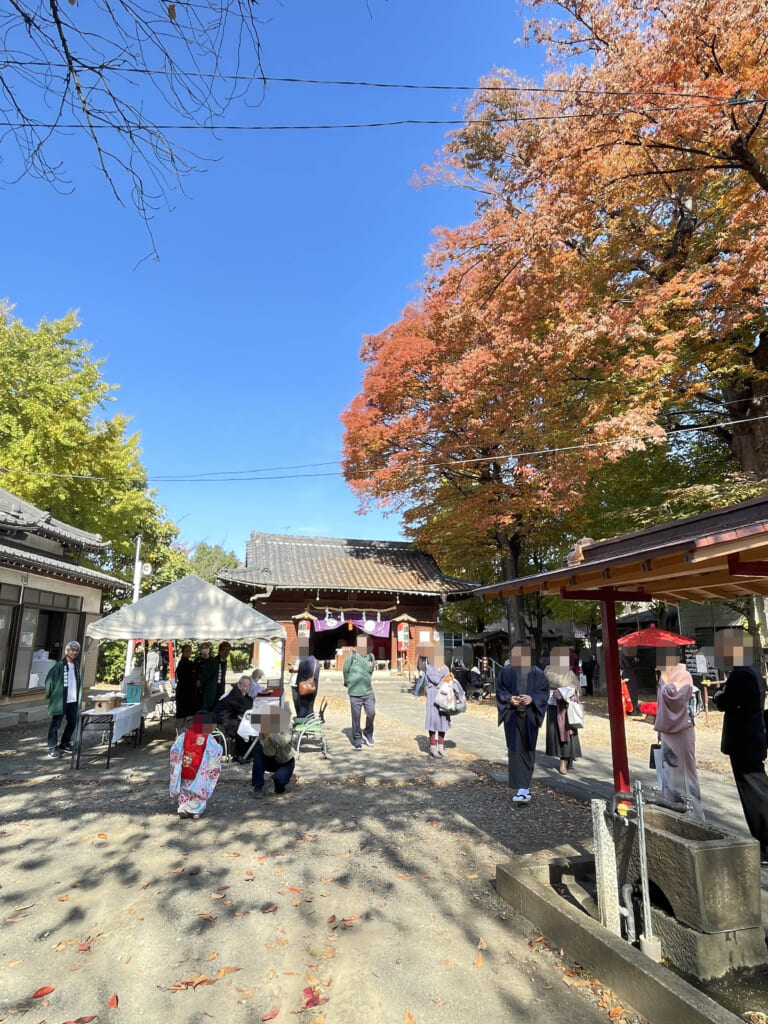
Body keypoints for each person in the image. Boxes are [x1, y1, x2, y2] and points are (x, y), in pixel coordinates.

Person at [712, 630, 768, 861]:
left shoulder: (741, 675)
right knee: (757, 791)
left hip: (745, 741)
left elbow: (723, 700)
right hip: (752, 738)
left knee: (754, 794)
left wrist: (719, 693)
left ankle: (764, 843)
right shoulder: (753, 671)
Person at [654, 648, 704, 820]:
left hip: (681, 730)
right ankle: (673, 812)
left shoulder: (683, 675)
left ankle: (694, 815)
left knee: (685, 773)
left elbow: (675, 699)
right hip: (668, 731)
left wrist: (665, 678)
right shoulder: (664, 676)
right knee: (669, 773)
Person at [496, 646, 549, 803]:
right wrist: (509, 699)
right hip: (512, 715)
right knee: (514, 749)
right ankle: (520, 787)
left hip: (530, 716)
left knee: (527, 748)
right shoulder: (506, 672)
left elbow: (544, 692)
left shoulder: (537, 673)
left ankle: (524, 788)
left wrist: (532, 698)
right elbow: (500, 690)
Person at [169, 712, 223, 819]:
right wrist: (220, 748)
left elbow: (174, 749)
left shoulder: (184, 735)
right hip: (200, 770)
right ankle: (196, 811)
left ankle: (183, 807)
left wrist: (178, 761)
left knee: (185, 788)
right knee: (199, 790)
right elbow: (216, 750)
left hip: (186, 766)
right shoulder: (208, 737)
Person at [545, 646, 582, 774]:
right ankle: (565, 761)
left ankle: (566, 761)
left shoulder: (569, 673)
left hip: (567, 708)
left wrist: (571, 692)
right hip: (554, 706)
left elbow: (577, 688)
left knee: (568, 735)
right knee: (560, 735)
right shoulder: (549, 671)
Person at [45, 639, 82, 758]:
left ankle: (64, 743)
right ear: (66, 651)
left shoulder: (76, 665)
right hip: (61, 700)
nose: (74, 652)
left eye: (76, 650)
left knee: (72, 722)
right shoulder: (59, 666)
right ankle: (52, 747)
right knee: (56, 723)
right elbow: (49, 681)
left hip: (73, 699)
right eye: (72, 650)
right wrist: (51, 695)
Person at [252, 706, 295, 798]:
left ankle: (279, 784)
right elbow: (268, 752)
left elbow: (283, 742)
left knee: (279, 785)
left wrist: (270, 733)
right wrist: (267, 735)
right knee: (259, 754)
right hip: (270, 758)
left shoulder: (287, 725)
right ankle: (258, 786)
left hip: (285, 760)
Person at [215, 675, 254, 759]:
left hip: (229, 718)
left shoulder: (239, 692)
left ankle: (248, 752)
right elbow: (244, 708)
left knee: (247, 724)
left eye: (249, 685)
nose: (247, 688)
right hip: (223, 721)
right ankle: (241, 754)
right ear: (239, 685)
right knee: (243, 727)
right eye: (245, 685)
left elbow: (249, 702)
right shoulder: (235, 695)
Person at [343, 650, 376, 749]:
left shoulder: (371, 656)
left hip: (368, 692)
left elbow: (371, 669)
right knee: (356, 717)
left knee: (371, 713)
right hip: (354, 692)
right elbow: (345, 670)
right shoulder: (351, 657)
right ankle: (357, 738)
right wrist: (348, 682)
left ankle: (368, 733)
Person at [424, 663, 454, 758]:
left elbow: (448, 678)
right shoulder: (429, 667)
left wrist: (444, 675)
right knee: (433, 720)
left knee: (443, 720)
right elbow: (435, 680)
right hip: (433, 696)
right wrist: (443, 675)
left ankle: (441, 746)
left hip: (443, 696)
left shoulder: (445, 667)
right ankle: (432, 746)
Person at [174, 643, 200, 720]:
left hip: (189, 690)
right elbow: (182, 676)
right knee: (184, 712)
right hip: (184, 690)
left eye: (189, 651)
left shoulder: (189, 662)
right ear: (183, 652)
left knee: (188, 712)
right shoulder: (183, 663)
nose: (188, 653)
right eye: (186, 651)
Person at [195, 643, 218, 711]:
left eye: (206, 648)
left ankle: (208, 720)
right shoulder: (197, 660)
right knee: (200, 705)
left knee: (209, 705)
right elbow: (194, 672)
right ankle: (199, 720)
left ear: (209, 649)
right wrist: (197, 680)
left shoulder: (213, 660)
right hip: (200, 686)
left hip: (210, 686)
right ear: (200, 649)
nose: (205, 650)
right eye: (203, 648)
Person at [620, 646, 641, 715]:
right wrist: (635, 661)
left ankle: (629, 708)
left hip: (625, 673)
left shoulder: (621, 653)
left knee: (628, 692)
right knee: (632, 692)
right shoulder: (627, 654)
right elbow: (629, 665)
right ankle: (633, 709)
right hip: (629, 674)